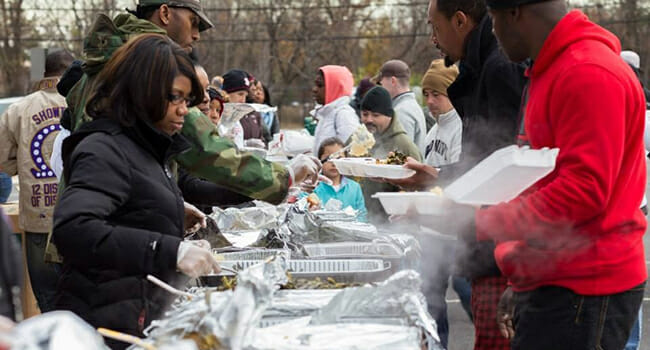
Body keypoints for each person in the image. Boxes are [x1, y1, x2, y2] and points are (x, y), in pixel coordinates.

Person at [478, 1, 647, 349]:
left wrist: (484, 220)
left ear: (515, 13)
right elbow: (545, 179)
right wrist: (524, 273)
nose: (492, 32)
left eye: (492, 19)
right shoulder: (553, 68)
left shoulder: (587, 72)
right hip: (556, 279)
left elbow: (583, 193)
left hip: (584, 287)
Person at [52, 34, 220, 350]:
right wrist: (171, 251)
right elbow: (74, 228)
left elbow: (128, 203)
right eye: (175, 98)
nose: (184, 111)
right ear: (144, 93)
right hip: (105, 329)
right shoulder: (104, 149)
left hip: (135, 320)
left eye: (187, 100)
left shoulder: (145, 145)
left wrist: (167, 209)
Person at [0, 50, 74, 313]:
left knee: (48, 301)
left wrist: (25, 167)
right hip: (79, 218)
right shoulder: (85, 104)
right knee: (81, 301)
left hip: (38, 219)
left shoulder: (19, 109)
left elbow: (3, 162)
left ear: (44, 74)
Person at [359, 86, 422, 223]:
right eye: (365, 114)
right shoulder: (359, 138)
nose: (369, 119)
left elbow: (419, 187)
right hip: (362, 218)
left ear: (389, 116)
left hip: (392, 223)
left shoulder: (403, 145)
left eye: (376, 115)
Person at [306, 137, 367, 221]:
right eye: (329, 158)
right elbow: (304, 213)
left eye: (339, 159)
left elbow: (362, 215)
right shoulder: (311, 187)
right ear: (319, 161)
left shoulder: (354, 187)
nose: (334, 163)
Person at [374, 60, 427, 152]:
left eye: (380, 83)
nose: (380, 88)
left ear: (393, 81)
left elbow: (401, 155)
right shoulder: (412, 106)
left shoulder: (401, 112)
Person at [422, 59, 462, 166]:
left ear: (452, 95)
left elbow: (461, 175)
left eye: (436, 94)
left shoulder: (461, 129)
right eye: (426, 95)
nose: (429, 101)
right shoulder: (433, 131)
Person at [311, 65, 360, 154]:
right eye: (315, 85)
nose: (314, 89)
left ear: (335, 87)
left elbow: (349, 153)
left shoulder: (344, 115)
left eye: (320, 85)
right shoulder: (328, 113)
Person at [222, 69, 265, 147]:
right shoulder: (218, 117)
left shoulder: (234, 116)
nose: (243, 100)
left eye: (245, 95)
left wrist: (245, 144)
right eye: (240, 94)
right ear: (226, 93)